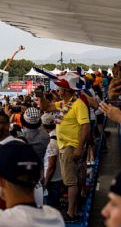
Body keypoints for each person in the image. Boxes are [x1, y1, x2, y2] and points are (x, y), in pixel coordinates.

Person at [40, 72, 91, 222]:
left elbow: (86, 127)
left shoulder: (78, 104)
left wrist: (79, 148)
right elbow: (46, 107)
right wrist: (41, 96)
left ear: (68, 90)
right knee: (70, 180)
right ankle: (74, 207)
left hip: (71, 146)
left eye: (62, 89)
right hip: (64, 146)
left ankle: (71, 213)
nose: (59, 91)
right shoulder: (65, 104)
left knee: (70, 181)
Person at [41, 113, 63, 208]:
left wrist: (45, 183)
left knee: (50, 208)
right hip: (59, 175)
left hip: (52, 180)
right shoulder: (59, 133)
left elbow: (51, 165)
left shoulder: (50, 142)